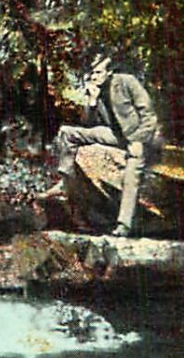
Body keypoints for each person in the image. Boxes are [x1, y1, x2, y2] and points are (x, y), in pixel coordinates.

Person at [42, 55, 164, 237]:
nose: (93, 76)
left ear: (109, 72)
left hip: (143, 138)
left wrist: (139, 140)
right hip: (117, 135)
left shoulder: (127, 82)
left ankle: (124, 224)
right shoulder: (97, 90)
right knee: (67, 132)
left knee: (133, 170)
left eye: (98, 72)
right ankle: (66, 180)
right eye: (91, 72)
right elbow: (91, 124)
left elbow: (149, 116)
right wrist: (92, 102)